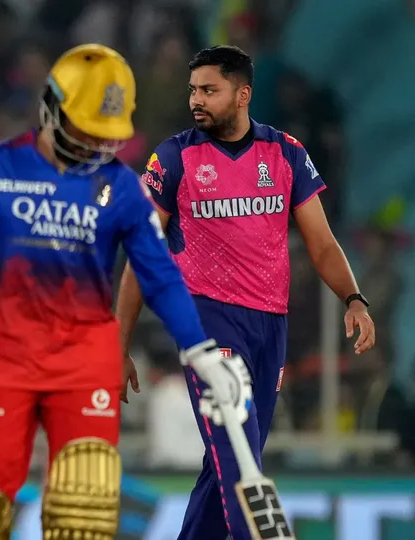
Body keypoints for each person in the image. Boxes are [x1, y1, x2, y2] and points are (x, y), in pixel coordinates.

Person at [0, 43, 252, 540]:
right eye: (86, 128)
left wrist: (201, 350)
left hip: (83, 363)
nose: (96, 142)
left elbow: (160, 275)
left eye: (105, 132)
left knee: (84, 509)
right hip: (2, 361)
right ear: (51, 107)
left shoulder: (123, 188)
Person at [114, 45, 376, 540]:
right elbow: (142, 255)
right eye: (193, 90)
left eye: (209, 90)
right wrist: (119, 341)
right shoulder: (173, 158)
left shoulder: (285, 153)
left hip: (269, 326)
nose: (196, 99)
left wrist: (354, 299)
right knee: (237, 451)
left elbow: (322, 243)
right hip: (206, 322)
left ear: (242, 94)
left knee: (231, 458)